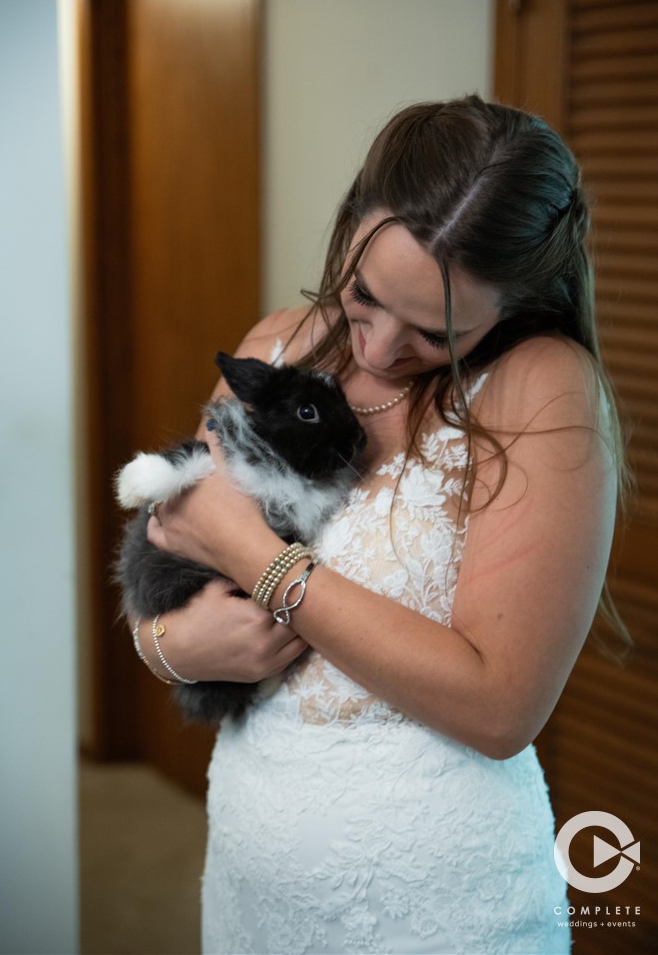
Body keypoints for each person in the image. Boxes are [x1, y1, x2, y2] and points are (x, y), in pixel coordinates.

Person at [133, 96, 628, 954]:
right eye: (365, 296)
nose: (376, 350)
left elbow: (500, 706)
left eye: (435, 332)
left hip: (439, 907)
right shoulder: (278, 345)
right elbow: (170, 566)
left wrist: (257, 560)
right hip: (251, 877)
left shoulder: (540, 385)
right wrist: (171, 648)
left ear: (511, 304)